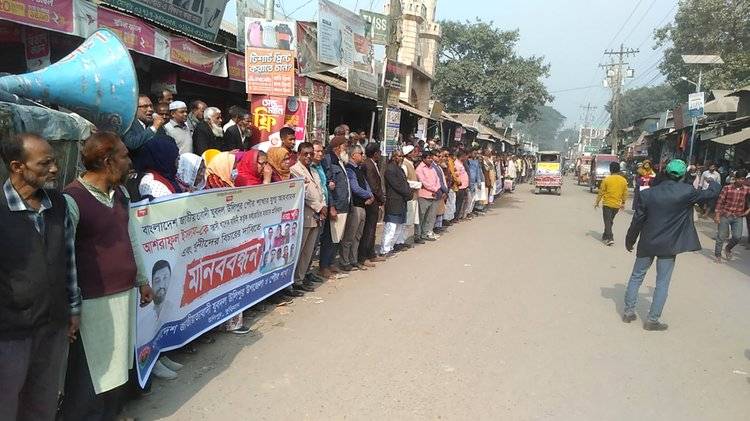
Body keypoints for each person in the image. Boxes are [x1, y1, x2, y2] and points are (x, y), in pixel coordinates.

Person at [62, 132, 155, 419]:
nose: (130, 162)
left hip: (123, 293)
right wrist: (71, 307)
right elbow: (65, 257)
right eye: (125, 156)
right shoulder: (72, 199)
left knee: (118, 365)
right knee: (92, 371)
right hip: (93, 300)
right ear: (107, 161)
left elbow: (131, 238)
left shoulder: (121, 194)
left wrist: (142, 279)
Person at [0, 133, 81, 421]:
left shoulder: (57, 204)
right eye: (44, 163)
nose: (54, 169)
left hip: (53, 324)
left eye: (54, 161)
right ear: (17, 166)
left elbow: (68, 258)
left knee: (42, 402)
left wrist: (73, 308)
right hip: (10, 332)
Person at [623, 159, 720, 331]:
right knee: (662, 282)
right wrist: (711, 181)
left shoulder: (648, 194)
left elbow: (637, 220)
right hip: (669, 244)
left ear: (666, 172)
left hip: (647, 242)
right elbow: (712, 193)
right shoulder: (688, 192)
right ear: (683, 175)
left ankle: (628, 312)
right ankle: (652, 320)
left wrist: (630, 239)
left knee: (637, 276)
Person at [290, 142, 326, 292]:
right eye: (305, 154)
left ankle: (301, 278)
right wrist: (319, 207)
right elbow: (304, 194)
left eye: (311, 154)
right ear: (299, 154)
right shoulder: (295, 170)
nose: (309, 156)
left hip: (317, 215)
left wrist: (323, 205)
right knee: (300, 250)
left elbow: (320, 190)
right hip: (305, 214)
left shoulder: (314, 170)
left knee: (309, 251)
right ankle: (293, 281)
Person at [319, 136, 351, 278]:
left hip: (343, 205)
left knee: (337, 237)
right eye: (345, 146)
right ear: (337, 147)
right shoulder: (329, 160)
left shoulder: (340, 161)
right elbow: (328, 185)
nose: (346, 149)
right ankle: (324, 266)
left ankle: (331, 262)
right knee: (329, 237)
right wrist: (331, 206)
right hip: (335, 206)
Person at [341, 144, 374, 271]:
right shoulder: (349, 169)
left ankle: (353, 259)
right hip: (355, 206)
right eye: (360, 153)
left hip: (363, 205)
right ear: (353, 155)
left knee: (357, 236)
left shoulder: (358, 169)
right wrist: (368, 195)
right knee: (350, 236)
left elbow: (365, 184)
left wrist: (370, 195)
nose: (363, 156)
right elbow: (355, 188)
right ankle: (345, 261)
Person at [381, 149, 413, 256]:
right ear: (393, 157)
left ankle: (391, 247)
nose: (401, 158)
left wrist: (408, 192)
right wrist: (407, 192)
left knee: (399, 227)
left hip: (402, 201)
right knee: (391, 227)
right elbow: (397, 185)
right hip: (394, 201)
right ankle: (385, 250)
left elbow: (405, 183)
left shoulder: (400, 169)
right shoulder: (390, 169)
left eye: (402, 156)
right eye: (398, 156)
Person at [713, 169, 750, 263]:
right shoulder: (727, 188)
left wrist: (748, 210)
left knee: (737, 237)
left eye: (743, 179)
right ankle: (718, 255)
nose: (741, 181)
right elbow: (720, 202)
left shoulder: (747, 189)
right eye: (739, 179)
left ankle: (728, 248)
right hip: (725, 215)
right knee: (721, 236)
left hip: (738, 216)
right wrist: (717, 215)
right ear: (735, 179)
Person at [123, 95, 167, 168]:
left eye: (151, 106)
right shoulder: (128, 125)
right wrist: (154, 128)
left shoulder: (156, 125)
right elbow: (132, 144)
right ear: (135, 109)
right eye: (145, 106)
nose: (150, 109)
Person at [360, 143, 386, 263]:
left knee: (372, 229)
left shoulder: (373, 164)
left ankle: (371, 254)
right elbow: (373, 185)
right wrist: (382, 198)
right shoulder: (368, 165)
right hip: (371, 201)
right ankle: (363, 256)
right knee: (368, 230)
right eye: (379, 152)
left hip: (374, 201)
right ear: (375, 153)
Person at [137, 135, 182, 200]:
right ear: (165, 158)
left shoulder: (168, 175)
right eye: (176, 158)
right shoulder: (152, 184)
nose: (178, 162)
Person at [595, 162, 628, 246]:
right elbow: (625, 193)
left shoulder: (607, 179)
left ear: (610, 170)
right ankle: (605, 235)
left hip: (607, 204)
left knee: (607, 221)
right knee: (610, 221)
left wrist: (597, 202)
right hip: (616, 205)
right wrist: (623, 202)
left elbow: (601, 192)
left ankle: (610, 238)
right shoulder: (623, 180)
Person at [416, 150, 441, 241]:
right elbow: (423, 182)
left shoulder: (432, 168)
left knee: (430, 216)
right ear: (423, 159)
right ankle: (418, 235)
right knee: (421, 216)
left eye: (431, 158)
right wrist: (434, 189)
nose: (430, 160)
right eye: (428, 158)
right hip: (424, 195)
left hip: (434, 195)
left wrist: (436, 188)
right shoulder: (420, 169)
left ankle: (426, 233)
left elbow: (438, 180)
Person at [399, 145, 422, 245]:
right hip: (409, 196)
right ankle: (400, 242)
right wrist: (418, 184)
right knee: (407, 221)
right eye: (413, 152)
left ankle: (402, 241)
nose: (415, 154)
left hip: (414, 196)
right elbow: (405, 181)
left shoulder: (410, 164)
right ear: (408, 154)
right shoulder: (404, 165)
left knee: (410, 221)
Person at [453, 149, 470, 222]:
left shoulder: (461, 163)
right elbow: (456, 175)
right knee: (458, 202)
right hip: (460, 186)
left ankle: (458, 216)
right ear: (461, 156)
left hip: (464, 186)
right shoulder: (457, 164)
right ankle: (455, 217)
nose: (466, 157)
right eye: (464, 156)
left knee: (461, 202)